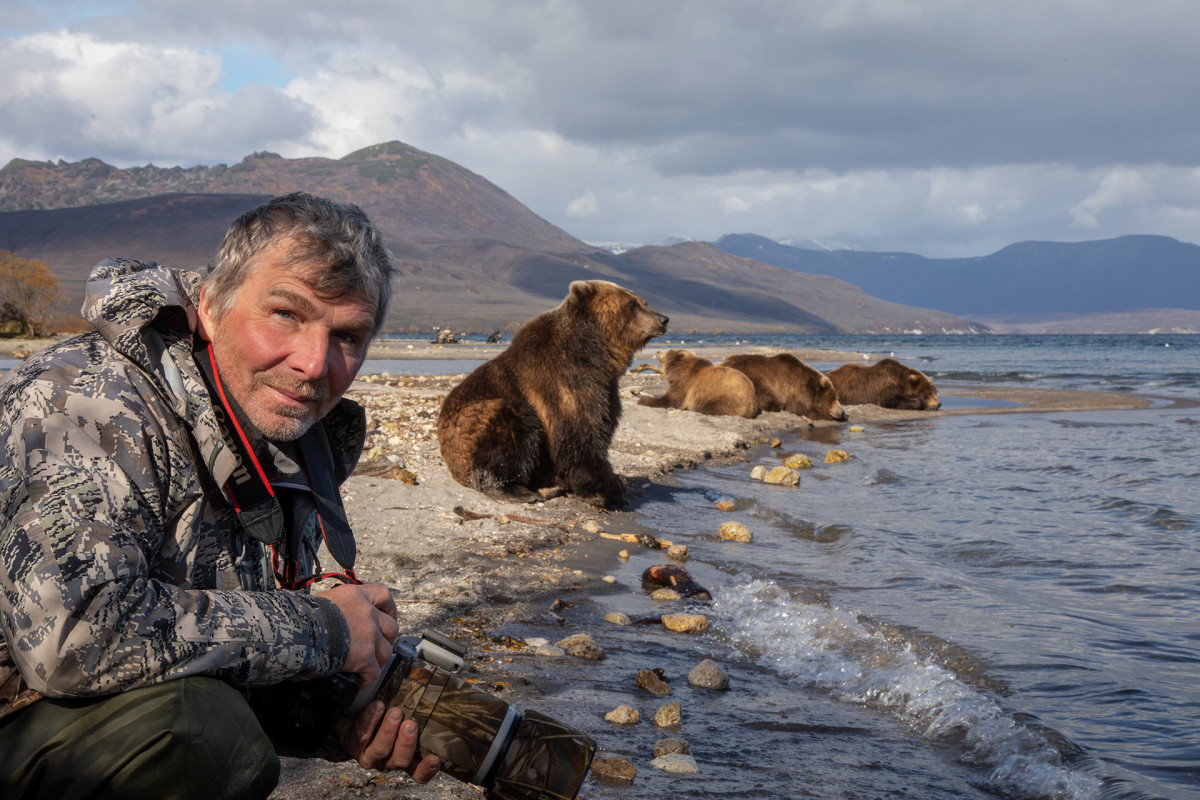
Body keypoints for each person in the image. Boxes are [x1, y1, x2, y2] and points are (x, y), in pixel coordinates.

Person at [0, 192, 441, 799]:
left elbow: (217, 641)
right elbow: (75, 640)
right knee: (202, 732)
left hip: (69, 714)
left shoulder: (280, 438)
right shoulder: (83, 400)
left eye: (347, 337)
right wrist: (327, 630)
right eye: (286, 314)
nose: (315, 365)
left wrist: (336, 718)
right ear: (209, 304)